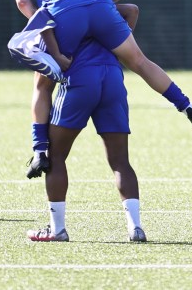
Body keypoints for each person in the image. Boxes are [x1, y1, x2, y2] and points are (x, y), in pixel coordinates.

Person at [6, 0, 192, 129]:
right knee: (139, 61)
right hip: (100, 4)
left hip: (62, 12)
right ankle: (185, 105)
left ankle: (40, 149)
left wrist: (42, 21)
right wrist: (97, 7)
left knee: (43, 84)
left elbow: (23, 1)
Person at [25, 37, 148, 243]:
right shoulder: (101, 13)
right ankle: (135, 228)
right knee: (120, 161)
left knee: (56, 157)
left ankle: (58, 230)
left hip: (79, 81)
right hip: (112, 79)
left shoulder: (53, 23)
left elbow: (42, 88)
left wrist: (39, 146)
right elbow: (132, 10)